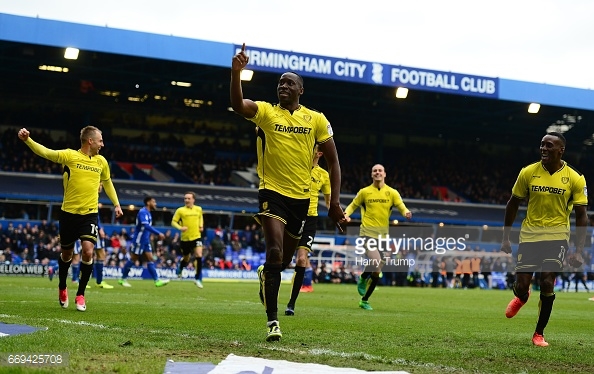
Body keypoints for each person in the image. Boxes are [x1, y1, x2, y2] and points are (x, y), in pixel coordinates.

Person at [231, 43, 345, 341]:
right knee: (275, 251)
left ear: (300, 90)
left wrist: (334, 202)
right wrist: (236, 74)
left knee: (282, 263)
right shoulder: (267, 113)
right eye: (280, 82)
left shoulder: (317, 119)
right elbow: (238, 105)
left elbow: (334, 162)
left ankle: (266, 274)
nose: (283, 86)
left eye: (289, 83)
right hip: (272, 193)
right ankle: (273, 321)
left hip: (301, 200)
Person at [18, 126, 123, 312]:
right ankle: (62, 286)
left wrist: (116, 204)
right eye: (100, 140)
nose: (102, 144)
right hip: (68, 214)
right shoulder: (70, 156)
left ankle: (81, 294)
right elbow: (46, 153)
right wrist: (28, 140)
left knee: (88, 252)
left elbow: (107, 182)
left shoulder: (101, 162)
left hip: (89, 214)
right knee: (66, 255)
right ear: (90, 141)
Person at [501, 132, 588, 347]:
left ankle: (538, 334)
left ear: (561, 150)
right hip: (530, 236)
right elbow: (513, 203)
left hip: (557, 237)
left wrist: (578, 250)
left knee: (547, 282)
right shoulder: (528, 172)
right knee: (522, 285)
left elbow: (582, 215)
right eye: (541, 145)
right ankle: (522, 295)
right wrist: (506, 237)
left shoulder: (575, 178)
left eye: (549, 145)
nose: (544, 149)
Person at [344, 164, 412, 310]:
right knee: (375, 261)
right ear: (371, 174)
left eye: (380, 170)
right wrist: (345, 215)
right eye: (375, 171)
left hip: (383, 237)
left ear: (384, 174)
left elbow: (400, 205)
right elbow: (352, 205)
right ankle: (362, 278)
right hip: (367, 233)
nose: (377, 172)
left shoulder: (392, 192)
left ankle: (364, 300)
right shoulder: (364, 192)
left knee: (377, 270)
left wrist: (406, 212)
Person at [284, 144, 331, 316]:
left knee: (302, 259)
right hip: (293, 216)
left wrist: (341, 214)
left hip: (311, 219)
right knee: (281, 259)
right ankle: (264, 276)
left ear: (318, 153)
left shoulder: (324, 175)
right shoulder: (296, 166)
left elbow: (328, 202)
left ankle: (291, 304)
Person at [118, 196, 169, 287]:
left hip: (145, 240)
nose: (155, 204)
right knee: (133, 259)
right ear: (148, 202)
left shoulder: (148, 213)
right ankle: (122, 279)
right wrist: (158, 233)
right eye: (154, 202)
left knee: (150, 259)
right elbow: (146, 226)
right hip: (139, 240)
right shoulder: (143, 212)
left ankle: (157, 281)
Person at [171, 191, 205, 288]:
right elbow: (173, 222)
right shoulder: (180, 210)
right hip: (185, 239)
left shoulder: (198, 209)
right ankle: (180, 268)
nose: (186, 200)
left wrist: (201, 225)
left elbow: (200, 217)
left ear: (193, 199)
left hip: (196, 237)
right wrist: (180, 228)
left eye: (188, 198)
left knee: (199, 255)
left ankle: (198, 278)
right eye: (185, 198)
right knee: (186, 258)